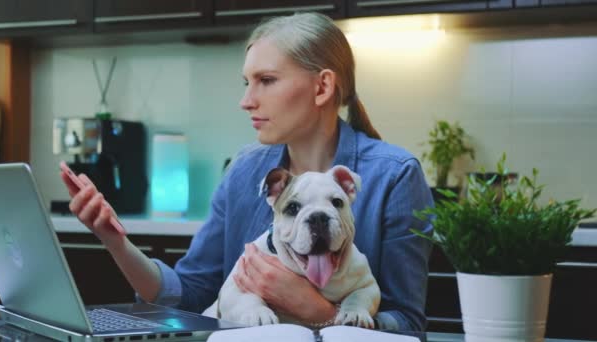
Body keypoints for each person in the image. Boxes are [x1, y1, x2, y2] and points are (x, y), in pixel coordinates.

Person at [61, 12, 433, 332]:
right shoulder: (244, 170)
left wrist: (317, 311)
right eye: (247, 82)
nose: (246, 100)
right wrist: (113, 240)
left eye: (266, 80)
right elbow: (190, 294)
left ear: (322, 86)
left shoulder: (396, 176)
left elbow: (409, 326)